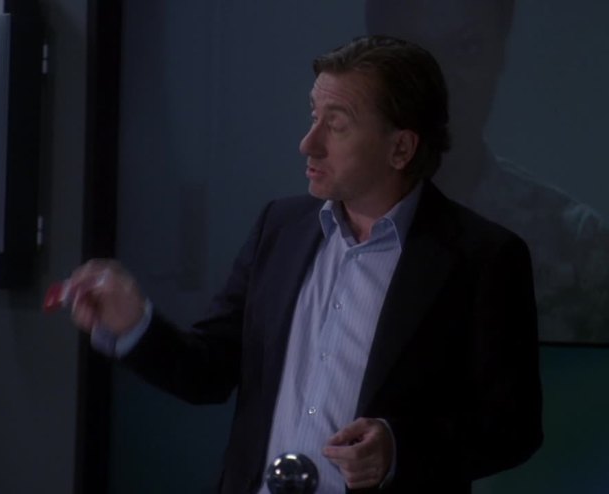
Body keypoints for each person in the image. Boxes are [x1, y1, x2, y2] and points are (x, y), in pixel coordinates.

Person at [67, 36, 543, 493]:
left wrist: (399, 450)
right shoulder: (279, 229)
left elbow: (513, 427)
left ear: (401, 148)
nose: (308, 143)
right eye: (314, 117)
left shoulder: (483, 258)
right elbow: (208, 371)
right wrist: (134, 326)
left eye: (336, 125)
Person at [365, 0, 609, 343]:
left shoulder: (576, 246)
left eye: (466, 49)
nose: (441, 81)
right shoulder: (319, 235)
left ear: (500, 55)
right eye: (413, 54)